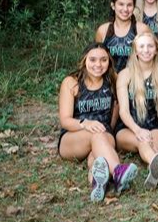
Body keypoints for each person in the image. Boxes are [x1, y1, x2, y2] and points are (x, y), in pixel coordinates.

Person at [58, 43, 137, 202]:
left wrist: (109, 130)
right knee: (96, 135)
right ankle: (117, 171)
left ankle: (97, 183)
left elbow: (116, 108)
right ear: (84, 60)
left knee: (97, 160)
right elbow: (65, 120)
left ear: (109, 62)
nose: (98, 65)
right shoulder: (71, 82)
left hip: (103, 134)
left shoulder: (113, 79)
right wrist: (84, 123)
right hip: (74, 136)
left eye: (103, 60)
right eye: (93, 60)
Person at [116, 32, 158, 189]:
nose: (146, 50)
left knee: (155, 146)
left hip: (153, 124)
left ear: (156, 50)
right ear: (135, 51)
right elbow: (123, 111)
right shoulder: (125, 74)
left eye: (150, 46)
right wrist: (138, 130)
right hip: (128, 127)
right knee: (143, 142)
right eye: (141, 46)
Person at [95, 0, 152, 73]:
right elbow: (98, 57)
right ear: (113, 6)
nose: (125, 9)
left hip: (134, 78)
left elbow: (150, 58)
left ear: (134, 7)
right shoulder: (103, 30)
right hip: (109, 78)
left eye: (129, 5)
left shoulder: (141, 29)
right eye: (121, 4)